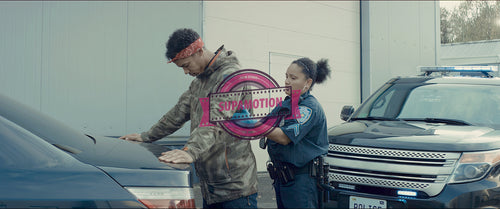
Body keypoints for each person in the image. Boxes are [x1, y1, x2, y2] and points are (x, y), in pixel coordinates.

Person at [119, 28, 258, 208]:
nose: (185, 72)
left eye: (186, 65)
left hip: (235, 188)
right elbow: (178, 112)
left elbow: (216, 119)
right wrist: (146, 136)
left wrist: (190, 150)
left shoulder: (230, 76)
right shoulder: (200, 81)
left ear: (199, 51)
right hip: (212, 188)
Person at [263, 57, 331, 208]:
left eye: (293, 78)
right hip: (283, 179)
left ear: (307, 83)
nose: (287, 81)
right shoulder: (285, 104)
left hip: (302, 182)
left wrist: (254, 126)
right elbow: (265, 124)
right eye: (286, 76)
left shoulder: (308, 107)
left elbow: (284, 137)